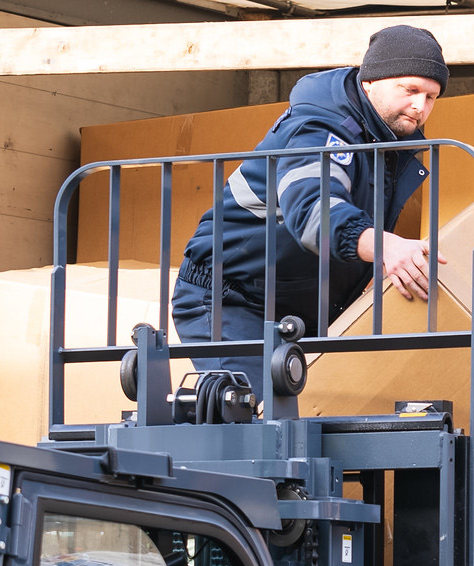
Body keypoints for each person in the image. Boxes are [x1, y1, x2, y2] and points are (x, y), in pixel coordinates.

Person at [171, 25, 448, 380]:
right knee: (257, 420)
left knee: (311, 424)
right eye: (410, 90)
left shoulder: (387, 145)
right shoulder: (320, 129)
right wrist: (384, 246)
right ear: (370, 81)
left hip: (298, 312)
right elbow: (313, 210)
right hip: (231, 299)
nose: (419, 106)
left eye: (431, 97)